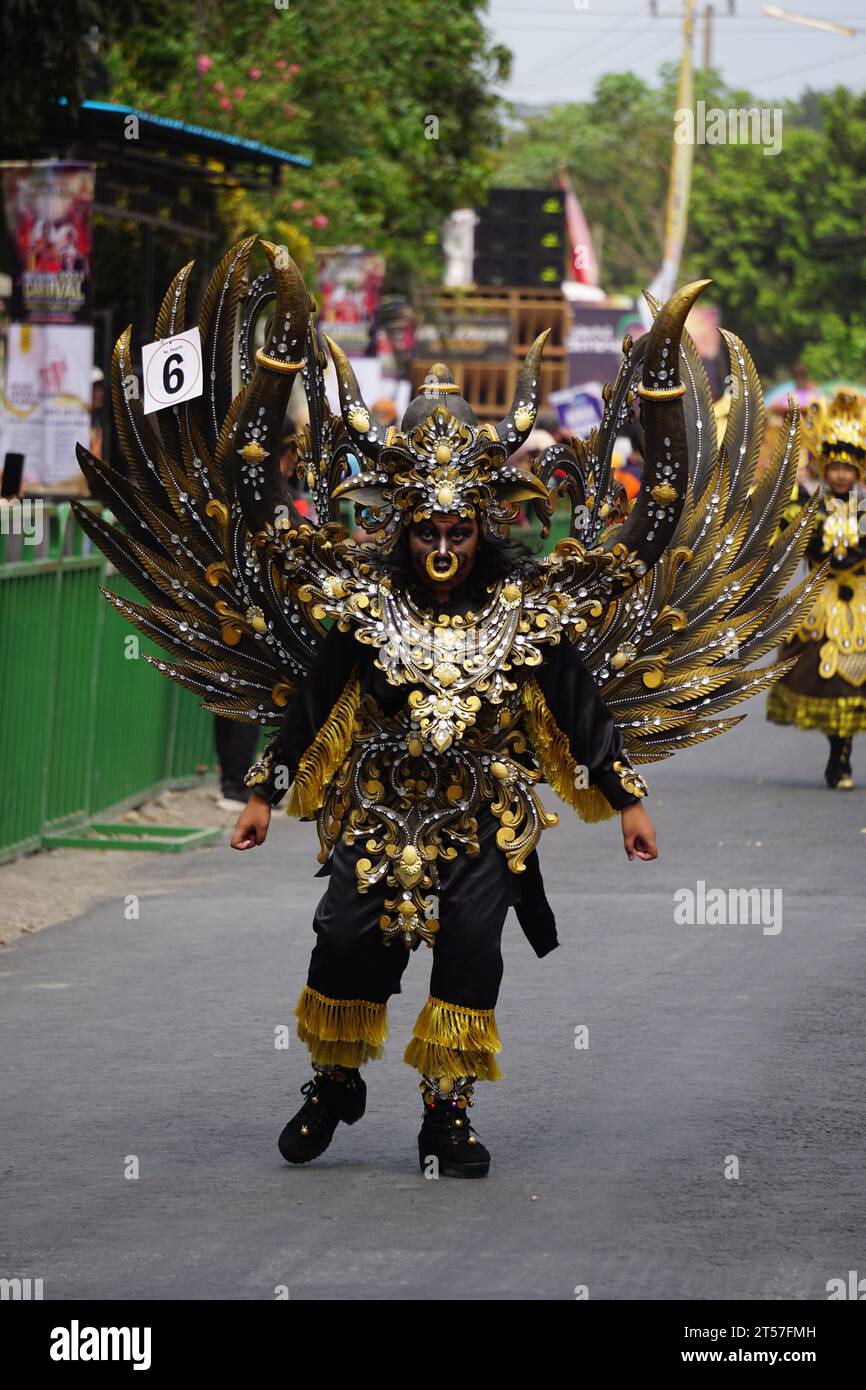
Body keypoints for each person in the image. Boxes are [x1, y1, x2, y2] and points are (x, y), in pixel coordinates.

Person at [767, 390, 866, 788]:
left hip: (861, 601)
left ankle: (842, 752)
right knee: (833, 681)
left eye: (850, 468)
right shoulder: (808, 506)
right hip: (821, 602)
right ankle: (837, 753)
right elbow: (779, 539)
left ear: (860, 470)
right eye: (835, 467)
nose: (842, 474)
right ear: (824, 468)